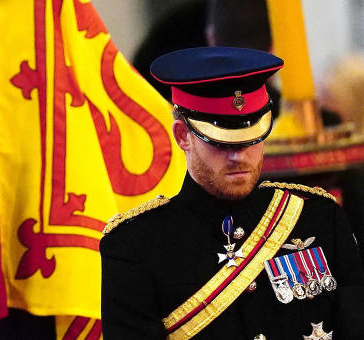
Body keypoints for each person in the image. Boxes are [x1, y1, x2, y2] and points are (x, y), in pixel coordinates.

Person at [100, 46, 364, 338]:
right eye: (221, 142)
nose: (238, 156)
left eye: (250, 139)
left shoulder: (319, 217)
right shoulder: (135, 246)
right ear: (182, 136)